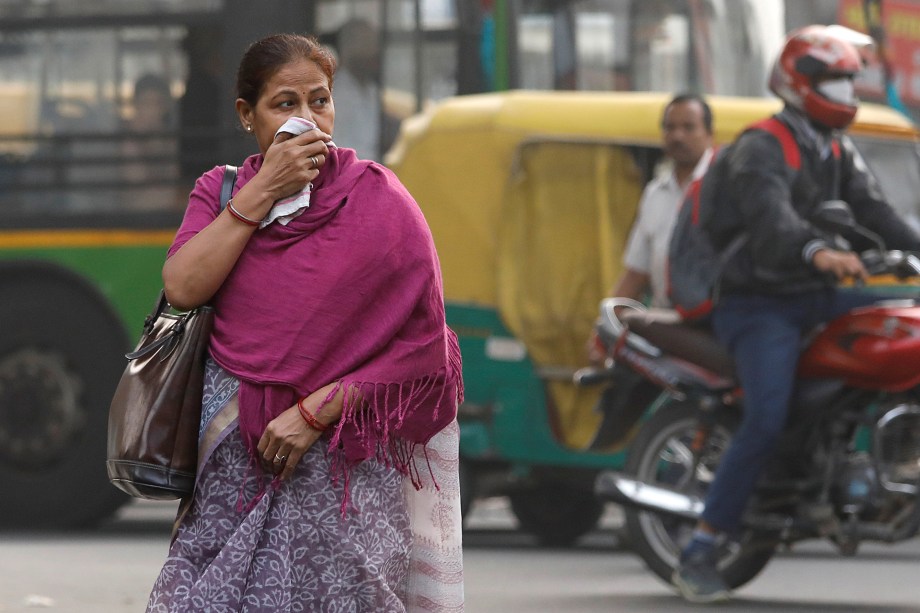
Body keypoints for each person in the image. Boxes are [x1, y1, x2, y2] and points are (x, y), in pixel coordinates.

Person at [145, 33, 464, 612]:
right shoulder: (220, 194)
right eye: (284, 104)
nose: (306, 119)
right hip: (233, 467)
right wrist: (265, 189)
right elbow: (183, 285)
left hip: (342, 476)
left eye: (319, 101)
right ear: (248, 115)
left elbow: (424, 345)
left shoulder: (379, 200)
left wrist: (316, 412)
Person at [672, 25, 920, 603]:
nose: (847, 88)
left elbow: (879, 214)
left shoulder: (834, 146)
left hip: (813, 294)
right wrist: (819, 251)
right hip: (757, 303)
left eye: (849, 77)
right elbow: (772, 222)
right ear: (798, 82)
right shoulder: (763, 145)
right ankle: (702, 548)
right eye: (834, 78)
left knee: (900, 324)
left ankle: (863, 450)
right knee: (767, 415)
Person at [587, 94, 712, 362]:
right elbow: (636, 273)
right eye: (670, 128)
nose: (677, 136)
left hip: (710, 328)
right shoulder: (655, 193)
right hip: (665, 325)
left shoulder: (724, 187)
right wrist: (601, 334)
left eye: (688, 127)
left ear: (708, 134)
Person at [330, 18, 397, 160]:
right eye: (365, 44)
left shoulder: (372, 91)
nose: (373, 51)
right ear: (347, 49)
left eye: (374, 44)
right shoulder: (335, 93)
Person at [121, 73, 180, 210]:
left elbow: (174, 178)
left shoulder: (168, 139)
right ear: (135, 105)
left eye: (157, 104)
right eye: (146, 103)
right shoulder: (127, 139)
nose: (152, 111)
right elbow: (137, 186)